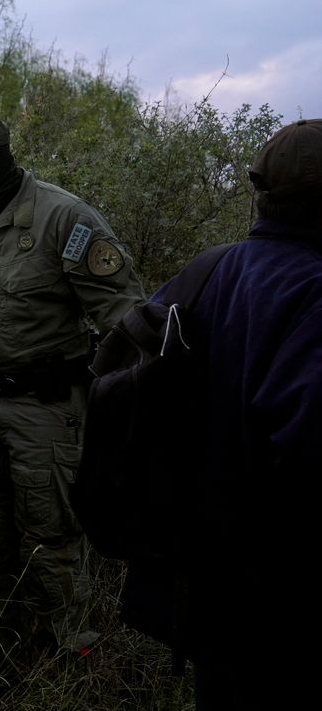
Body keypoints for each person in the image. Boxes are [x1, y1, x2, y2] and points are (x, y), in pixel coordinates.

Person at [0, 107, 146, 661]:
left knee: (51, 540)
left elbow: (126, 317)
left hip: (48, 409)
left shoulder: (64, 219)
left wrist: (123, 404)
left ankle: (73, 659)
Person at [119, 119, 321, 710]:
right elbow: (307, 450)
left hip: (203, 582)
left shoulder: (202, 273)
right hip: (284, 596)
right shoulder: (312, 292)